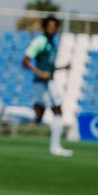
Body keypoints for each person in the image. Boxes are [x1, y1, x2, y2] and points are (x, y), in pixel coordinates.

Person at [22, 15, 73, 157]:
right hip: (42, 83)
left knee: (38, 115)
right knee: (57, 110)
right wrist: (39, 72)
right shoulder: (40, 41)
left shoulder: (53, 43)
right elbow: (25, 61)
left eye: (55, 27)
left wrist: (63, 67)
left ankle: (6, 111)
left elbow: (49, 68)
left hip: (48, 81)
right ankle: (55, 147)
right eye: (50, 26)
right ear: (45, 27)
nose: (52, 29)